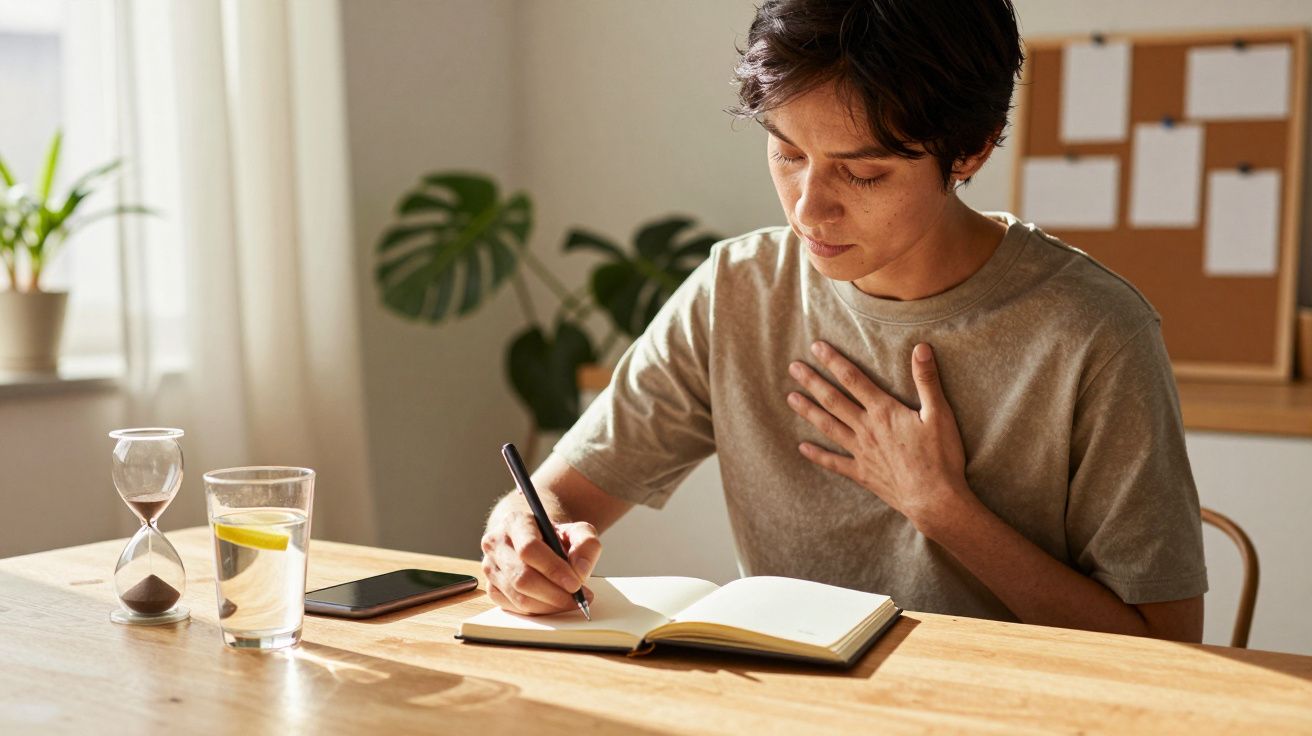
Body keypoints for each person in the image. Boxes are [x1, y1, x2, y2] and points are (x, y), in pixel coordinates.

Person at [480, 0, 1208, 642]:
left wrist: (944, 509)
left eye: (863, 173)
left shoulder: (1094, 332)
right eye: (788, 153)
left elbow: (1169, 649)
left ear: (973, 149)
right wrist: (522, 545)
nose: (807, 209)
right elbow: (550, 499)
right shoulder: (737, 291)